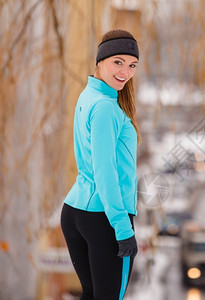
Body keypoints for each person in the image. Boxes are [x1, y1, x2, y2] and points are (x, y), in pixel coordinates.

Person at [61, 29, 141, 300]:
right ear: (100, 61)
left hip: (76, 210)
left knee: (92, 295)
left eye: (132, 65)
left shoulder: (89, 96)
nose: (125, 71)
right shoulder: (106, 107)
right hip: (105, 217)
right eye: (118, 62)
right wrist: (122, 229)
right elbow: (105, 172)